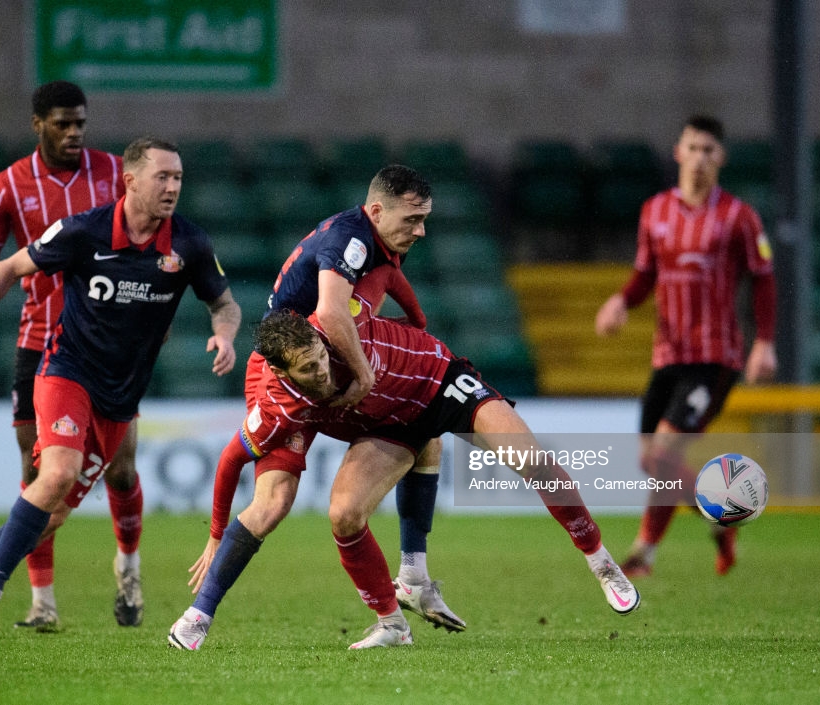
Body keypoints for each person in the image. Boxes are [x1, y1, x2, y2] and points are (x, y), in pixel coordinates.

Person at [169, 299, 640, 651]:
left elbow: (380, 273)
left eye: (319, 355)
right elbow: (231, 458)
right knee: (344, 514)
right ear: (282, 371)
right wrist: (214, 535)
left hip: (439, 382)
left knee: (532, 461)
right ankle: (393, 624)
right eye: (309, 369)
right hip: (393, 425)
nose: (323, 370)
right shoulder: (280, 406)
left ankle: (601, 561)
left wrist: (415, 314)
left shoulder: (337, 318)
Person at [0, 137, 241, 639]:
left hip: (120, 399)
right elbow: (7, 267)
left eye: (178, 177)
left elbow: (224, 303)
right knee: (57, 472)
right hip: (66, 372)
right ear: (130, 181)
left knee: (50, 517)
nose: (173, 186)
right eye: (163, 177)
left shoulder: (189, 244)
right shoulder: (83, 231)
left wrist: (224, 335)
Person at [203, 165, 462, 636]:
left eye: (424, 220)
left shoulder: (385, 243)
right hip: (288, 372)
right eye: (413, 219)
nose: (421, 230)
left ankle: (412, 579)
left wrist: (412, 326)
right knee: (274, 502)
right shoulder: (351, 242)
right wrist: (364, 372)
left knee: (423, 426)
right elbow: (327, 312)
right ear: (379, 211)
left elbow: (393, 287)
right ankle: (198, 615)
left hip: (331, 363)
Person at [0, 81, 143, 630]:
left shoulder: (113, 175)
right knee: (39, 474)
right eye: (63, 123)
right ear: (38, 124)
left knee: (122, 469)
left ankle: (128, 566)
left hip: (107, 347)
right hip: (40, 345)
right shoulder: (5, 188)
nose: (74, 132)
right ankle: (42, 603)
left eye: (80, 122)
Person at [594, 115, 777, 578]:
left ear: (721, 158)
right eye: (693, 148)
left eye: (709, 150)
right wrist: (620, 301)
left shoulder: (738, 216)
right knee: (650, 461)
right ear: (678, 152)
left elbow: (763, 279)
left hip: (715, 357)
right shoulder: (654, 211)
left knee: (663, 455)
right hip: (667, 354)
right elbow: (644, 276)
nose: (700, 158)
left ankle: (643, 554)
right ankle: (724, 515)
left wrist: (765, 343)